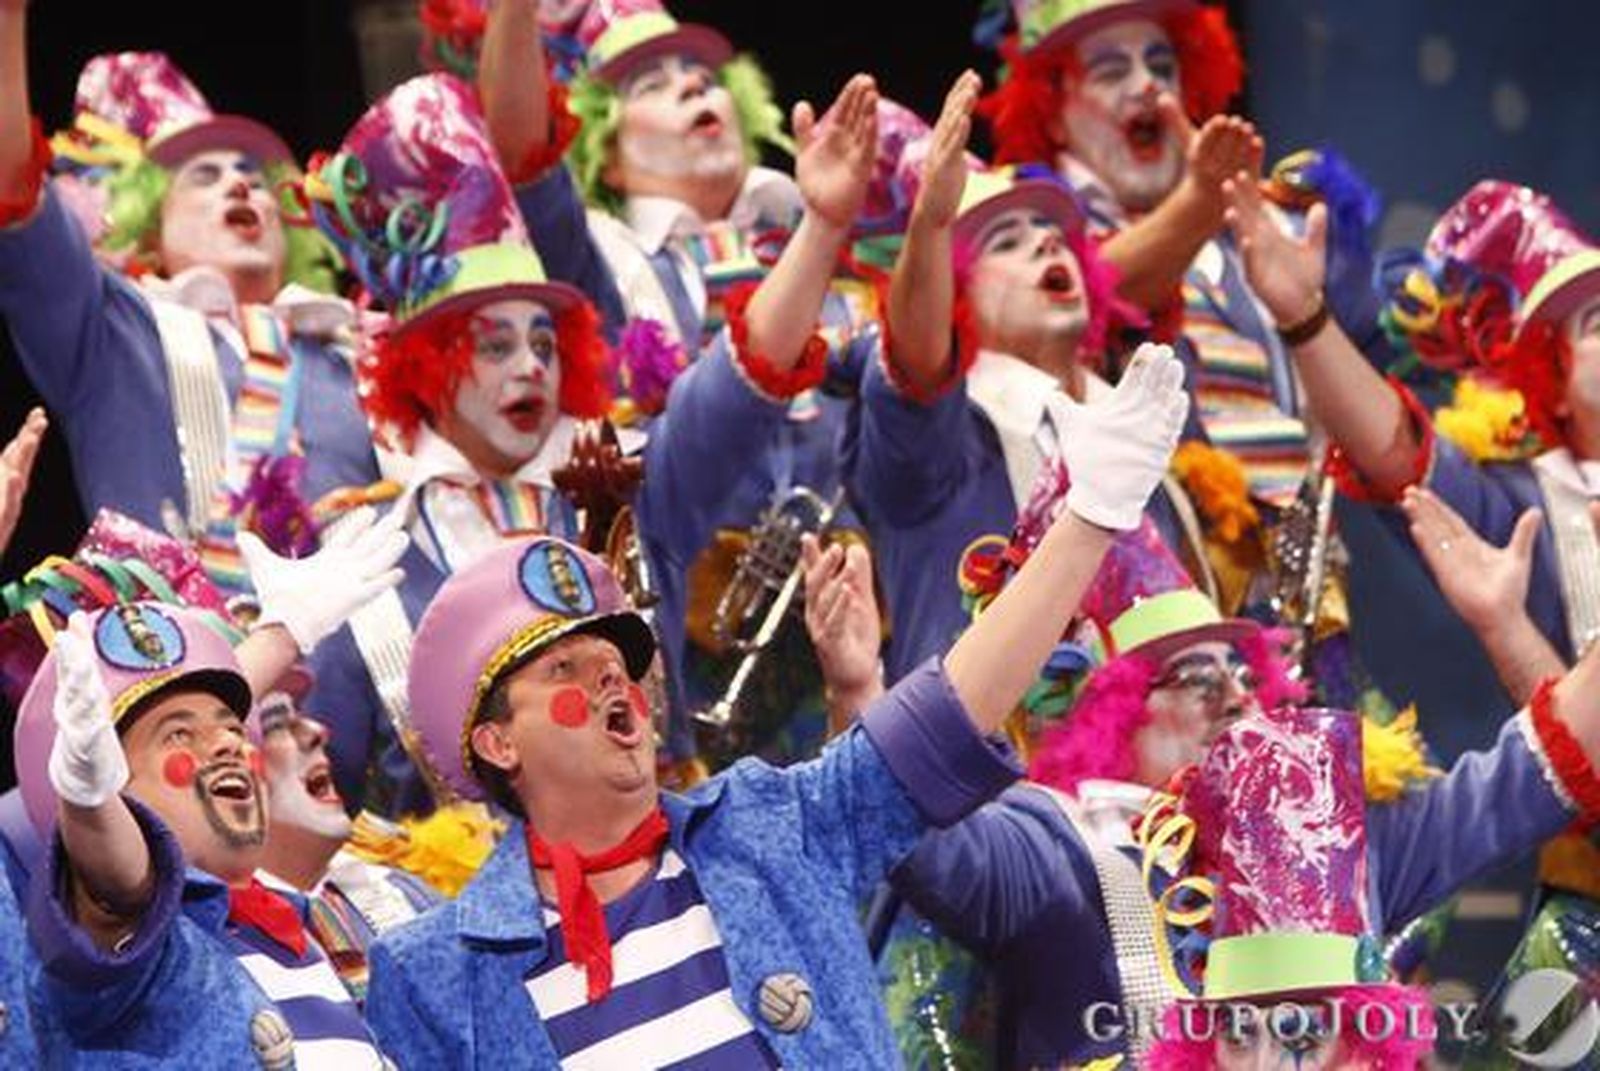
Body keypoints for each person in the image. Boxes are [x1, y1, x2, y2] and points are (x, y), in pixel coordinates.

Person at [361, 342, 1189, 1066]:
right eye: (567, 669)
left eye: (618, 664)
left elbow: (951, 709)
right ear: (499, 743)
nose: (614, 681)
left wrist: (1090, 516)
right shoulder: (437, 974)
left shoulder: (770, 827)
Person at [304, 65, 881, 808]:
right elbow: (326, 797)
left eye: (545, 344)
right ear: (423, 364)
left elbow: (743, 381)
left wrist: (822, 227)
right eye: (494, 345)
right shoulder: (367, 559)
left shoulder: (627, 490)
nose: (529, 366)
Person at [508, 0, 886, 764]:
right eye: (652, 84)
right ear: (608, 155)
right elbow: (525, 156)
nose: (691, 87)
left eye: (705, 77)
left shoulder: (830, 247)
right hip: (698, 640)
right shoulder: (605, 265)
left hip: (858, 619)